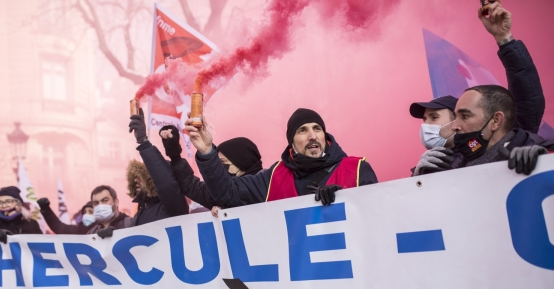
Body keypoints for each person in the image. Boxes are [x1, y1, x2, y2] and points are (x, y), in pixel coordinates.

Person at [410, 1, 546, 175]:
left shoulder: (514, 141)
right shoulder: (435, 166)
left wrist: (541, 160)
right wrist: (418, 180)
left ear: (495, 121)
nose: (426, 126)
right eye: (424, 120)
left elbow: (525, 89)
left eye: (434, 117)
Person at [185, 108, 378, 207]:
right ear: (292, 142)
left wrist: (346, 199)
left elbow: (379, 217)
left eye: (317, 129)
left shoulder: (357, 168)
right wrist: (208, 152)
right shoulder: (273, 177)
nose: (312, 136)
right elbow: (227, 193)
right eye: (303, 130)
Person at [450, 84, 553, 175]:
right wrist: (436, 176)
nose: (454, 126)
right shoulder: (454, 165)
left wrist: (544, 164)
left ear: (496, 121)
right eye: (455, 117)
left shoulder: (540, 154)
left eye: (465, 116)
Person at [159, 124, 263, 211]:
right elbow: (190, 185)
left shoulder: (268, 186)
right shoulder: (218, 193)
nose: (219, 168)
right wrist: (175, 155)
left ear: (242, 162)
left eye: (223, 162)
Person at [127, 109, 189, 222]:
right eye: (134, 177)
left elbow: (166, 183)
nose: (136, 180)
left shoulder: (173, 206)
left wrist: (144, 142)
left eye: (142, 176)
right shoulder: (139, 214)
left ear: (153, 179)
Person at [37, 185, 132, 238]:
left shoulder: (131, 224)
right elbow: (60, 228)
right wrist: (46, 210)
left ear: (116, 202)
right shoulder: (90, 233)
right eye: (96, 203)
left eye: (105, 200)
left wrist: (116, 235)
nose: (100, 206)